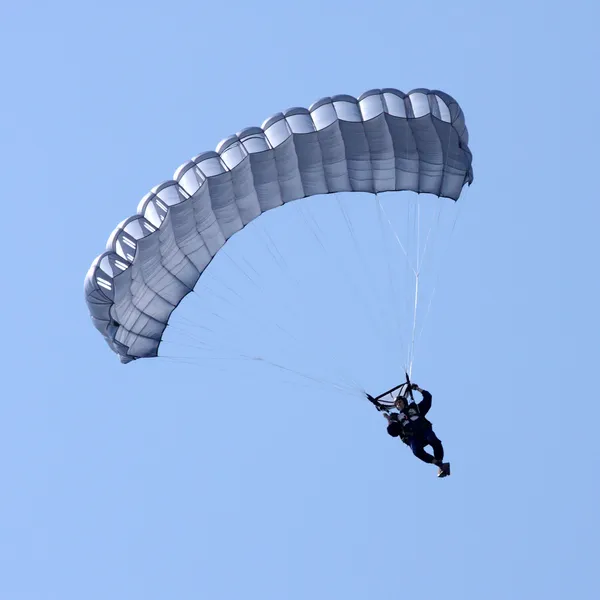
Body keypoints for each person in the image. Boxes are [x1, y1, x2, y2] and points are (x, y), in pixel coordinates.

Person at [369, 383, 450, 478]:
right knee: (416, 451)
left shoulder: (416, 408)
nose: (398, 404)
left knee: (433, 440)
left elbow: (428, 398)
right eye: (397, 404)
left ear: (404, 402)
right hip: (412, 437)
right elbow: (392, 432)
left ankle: (440, 463)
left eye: (400, 402)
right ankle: (438, 464)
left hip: (424, 430)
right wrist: (389, 419)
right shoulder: (396, 418)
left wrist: (417, 389)